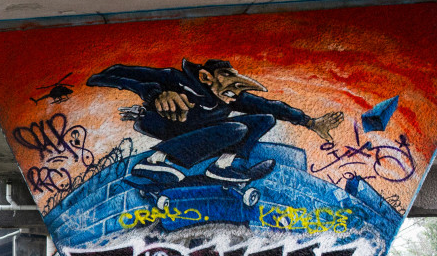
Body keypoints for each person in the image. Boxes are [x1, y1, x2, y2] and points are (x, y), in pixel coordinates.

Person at [87, 59, 343, 183]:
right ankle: (152, 162)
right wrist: (155, 94)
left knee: (264, 119)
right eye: (226, 76)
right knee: (235, 128)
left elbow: (273, 107)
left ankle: (222, 167)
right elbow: (113, 74)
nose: (233, 90)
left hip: (195, 132)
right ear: (207, 77)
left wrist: (310, 122)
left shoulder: (229, 99)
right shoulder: (176, 80)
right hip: (161, 123)